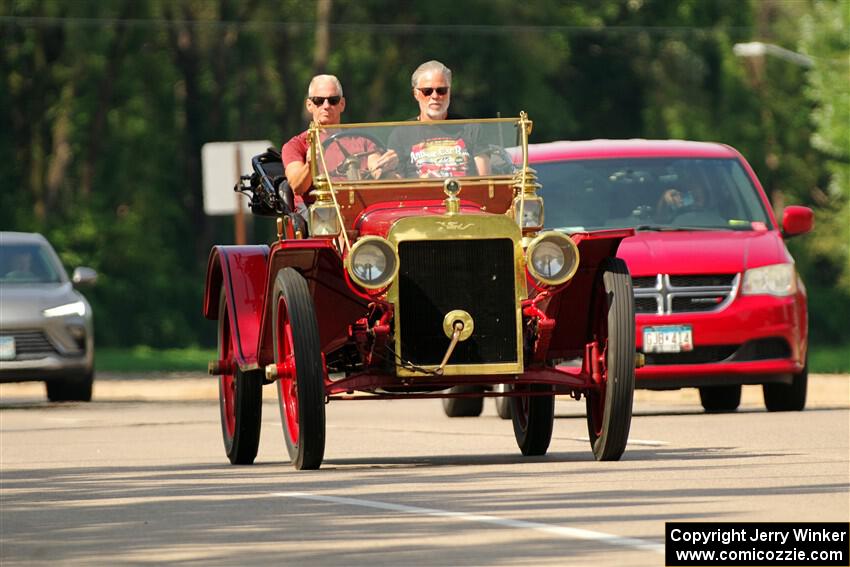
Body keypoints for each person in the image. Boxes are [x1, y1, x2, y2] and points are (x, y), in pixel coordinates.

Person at [282, 74, 396, 199]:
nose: (326, 106)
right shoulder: (296, 145)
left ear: (342, 104)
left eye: (333, 100)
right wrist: (310, 164)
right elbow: (297, 187)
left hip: (359, 204)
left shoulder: (362, 140)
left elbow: (376, 167)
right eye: (319, 101)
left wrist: (386, 166)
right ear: (309, 105)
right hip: (319, 207)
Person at [388, 60, 490, 178]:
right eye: (427, 91)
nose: (435, 96)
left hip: (463, 190)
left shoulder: (471, 128)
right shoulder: (401, 134)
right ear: (416, 94)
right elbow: (396, 184)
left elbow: (486, 181)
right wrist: (384, 172)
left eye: (442, 90)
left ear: (449, 92)